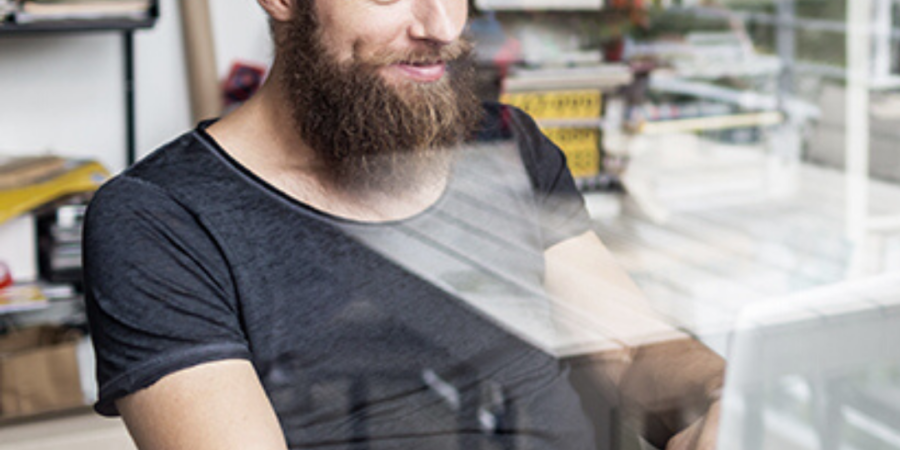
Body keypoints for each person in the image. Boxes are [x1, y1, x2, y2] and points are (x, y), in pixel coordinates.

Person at [83, 0, 724, 449]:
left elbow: (635, 350)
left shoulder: (502, 144)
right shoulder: (159, 221)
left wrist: (724, 399)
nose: (441, 25)